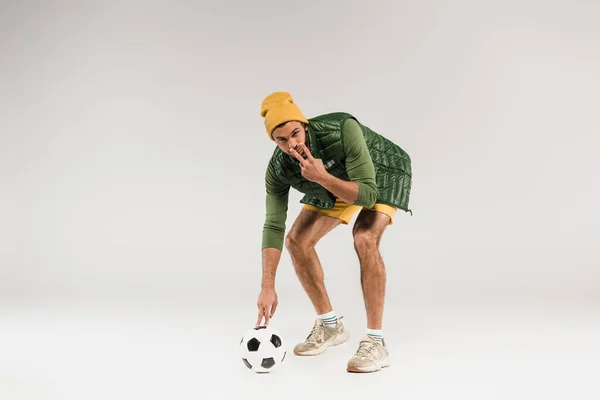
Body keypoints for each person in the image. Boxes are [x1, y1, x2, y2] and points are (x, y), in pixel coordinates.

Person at [255, 91, 412, 373]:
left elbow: (366, 194)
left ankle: (376, 342)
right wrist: (268, 286)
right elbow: (274, 225)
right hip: (330, 179)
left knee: (364, 238)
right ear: (274, 141)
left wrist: (322, 177)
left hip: (380, 174)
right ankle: (331, 326)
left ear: (304, 125)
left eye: (295, 133)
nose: (292, 143)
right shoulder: (278, 169)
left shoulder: (341, 129)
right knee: (297, 241)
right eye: (282, 139)